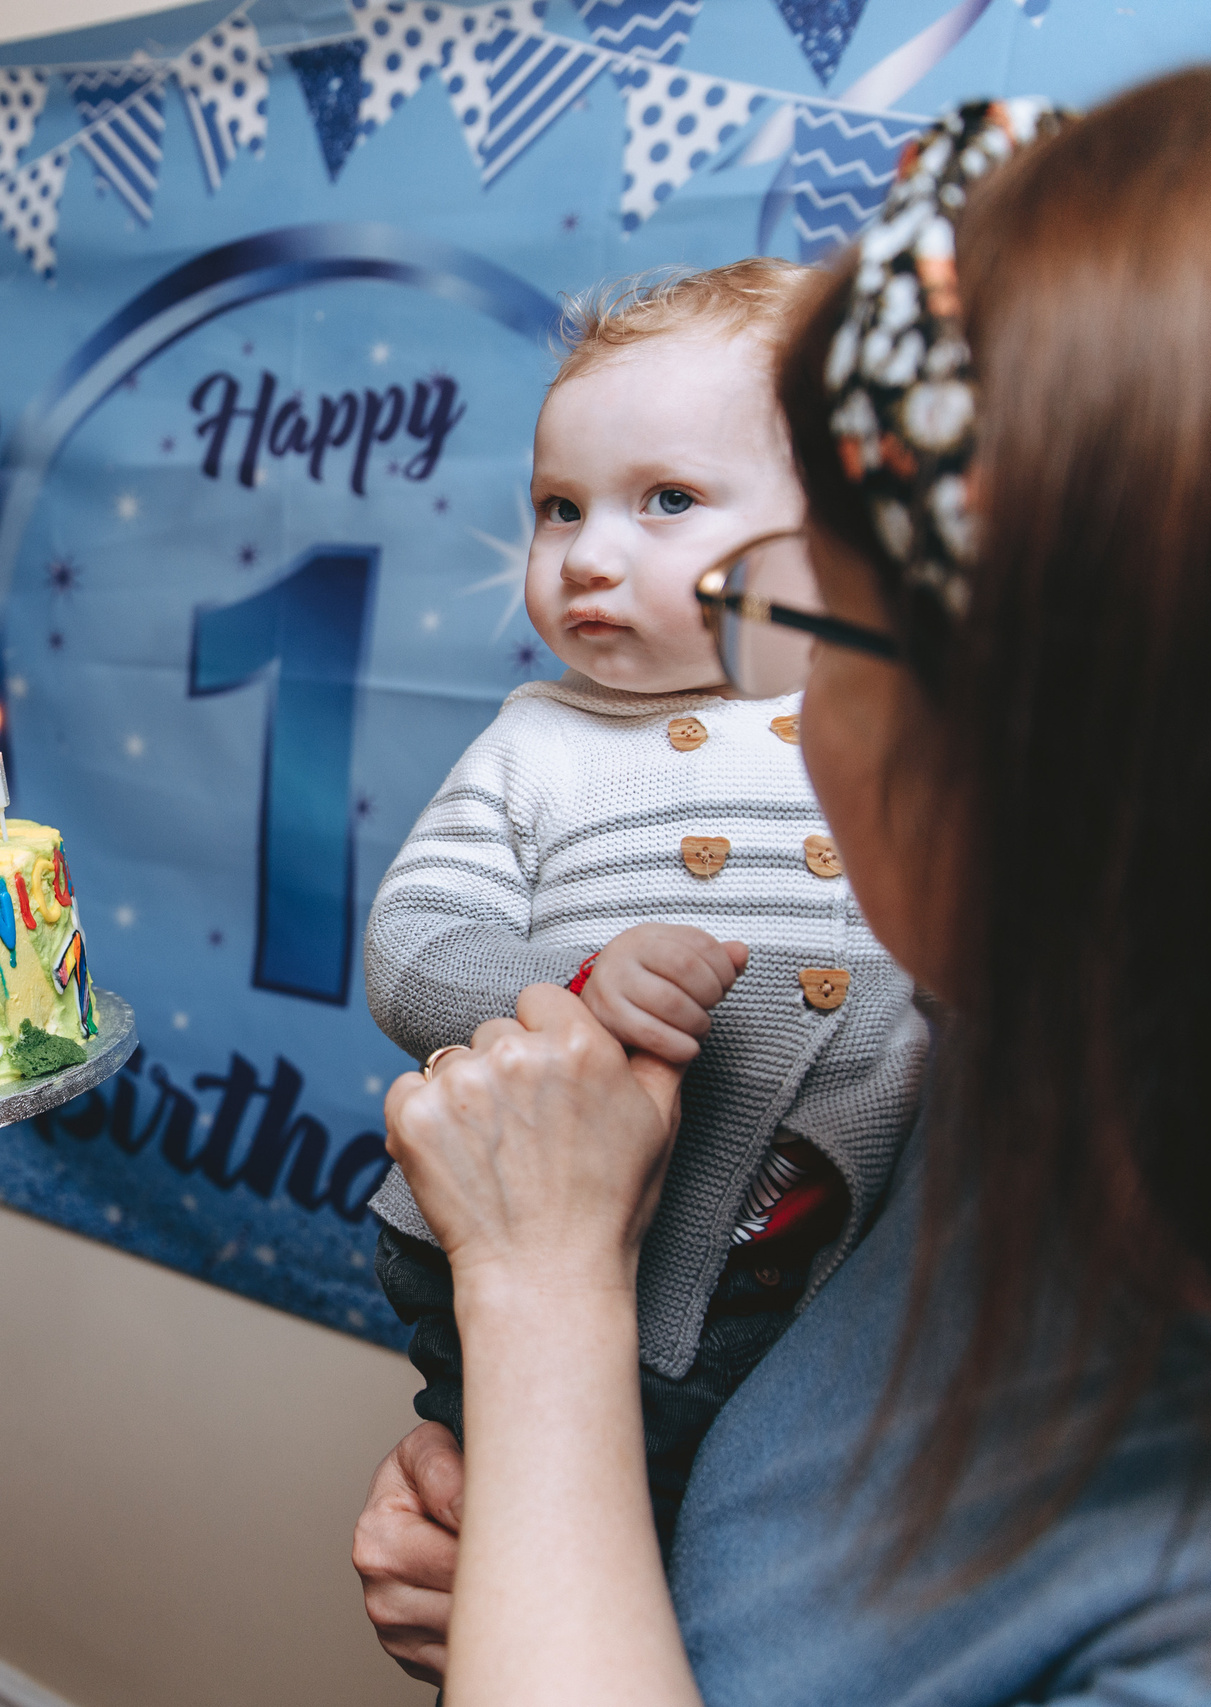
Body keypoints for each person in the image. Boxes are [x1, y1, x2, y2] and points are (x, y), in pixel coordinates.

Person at [352, 75, 1211, 1703]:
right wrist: (544, 1554)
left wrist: (548, 1293)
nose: (788, 706)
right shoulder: (1055, 1042)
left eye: (815, 619)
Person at [366, 258, 928, 1546]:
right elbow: (413, 942)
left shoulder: (892, 713)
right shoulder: (538, 745)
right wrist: (569, 998)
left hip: (823, 1273)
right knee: (558, 1543)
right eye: (558, 509)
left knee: (769, 1558)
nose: (587, 557)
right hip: (587, 1254)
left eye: (666, 500)